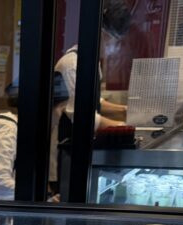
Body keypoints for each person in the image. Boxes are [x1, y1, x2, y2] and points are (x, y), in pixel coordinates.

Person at [50, 0, 133, 190]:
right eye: (113, 40)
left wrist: (125, 110)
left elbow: (96, 102)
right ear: (102, 34)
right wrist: (122, 127)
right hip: (66, 153)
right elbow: (81, 117)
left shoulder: (92, 62)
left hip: (85, 149)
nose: (114, 48)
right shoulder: (71, 64)